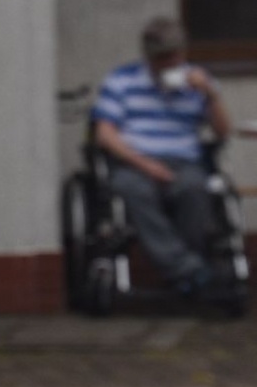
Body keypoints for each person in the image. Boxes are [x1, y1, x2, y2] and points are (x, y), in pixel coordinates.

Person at [91, 16, 232, 297]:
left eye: (173, 57)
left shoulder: (198, 81)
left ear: (183, 53)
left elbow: (222, 131)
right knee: (131, 189)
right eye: (160, 58)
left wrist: (211, 96)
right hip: (135, 162)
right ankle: (189, 270)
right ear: (147, 57)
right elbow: (104, 134)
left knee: (194, 188)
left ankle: (185, 274)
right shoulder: (122, 80)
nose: (167, 64)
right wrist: (146, 165)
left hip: (184, 161)